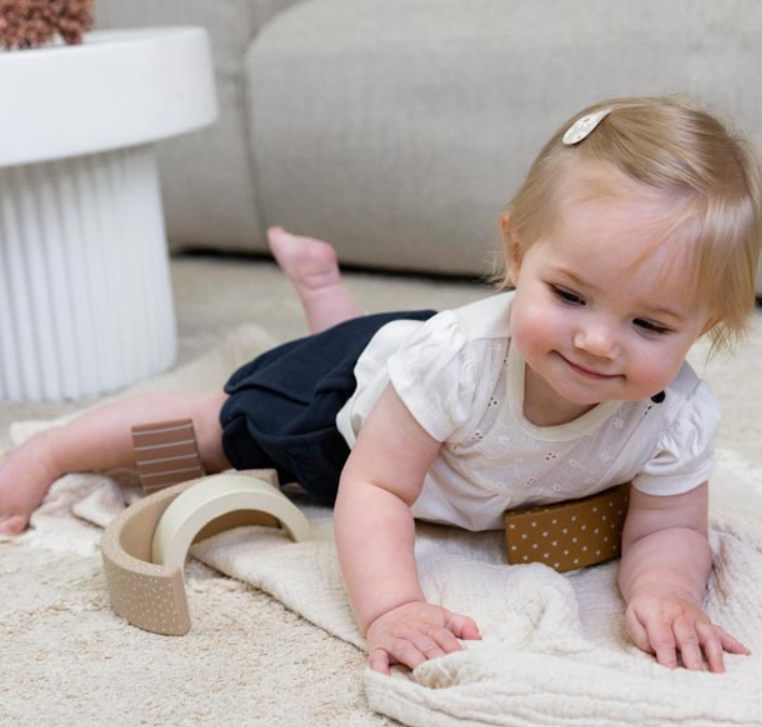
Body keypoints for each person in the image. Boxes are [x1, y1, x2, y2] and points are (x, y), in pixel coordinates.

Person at [1, 96, 760, 676]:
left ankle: (324, 297)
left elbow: (667, 530)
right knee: (222, 428)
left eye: (650, 326)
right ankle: (51, 450)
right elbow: (375, 489)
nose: (597, 341)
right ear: (517, 251)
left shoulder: (677, 416)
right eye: (567, 295)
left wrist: (666, 591)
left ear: (709, 326)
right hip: (345, 420)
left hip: (427, 393)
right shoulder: (454, 363)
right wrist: (394, 605)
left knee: (368, 348)